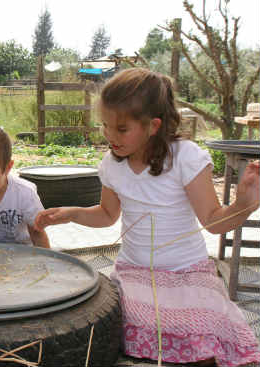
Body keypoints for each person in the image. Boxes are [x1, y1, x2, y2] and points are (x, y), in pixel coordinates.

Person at [34, 68, 260, 366]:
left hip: (186, 272)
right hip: (135, 272)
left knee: (205, 325)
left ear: (153, 126)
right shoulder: (112, 166)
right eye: (105, 126)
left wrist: (243, 203)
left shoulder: (185, 158)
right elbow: (107, 215)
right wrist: (72, 213)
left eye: (122, 129)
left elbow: (214, 221)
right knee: (110, 321)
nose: (110, 136)